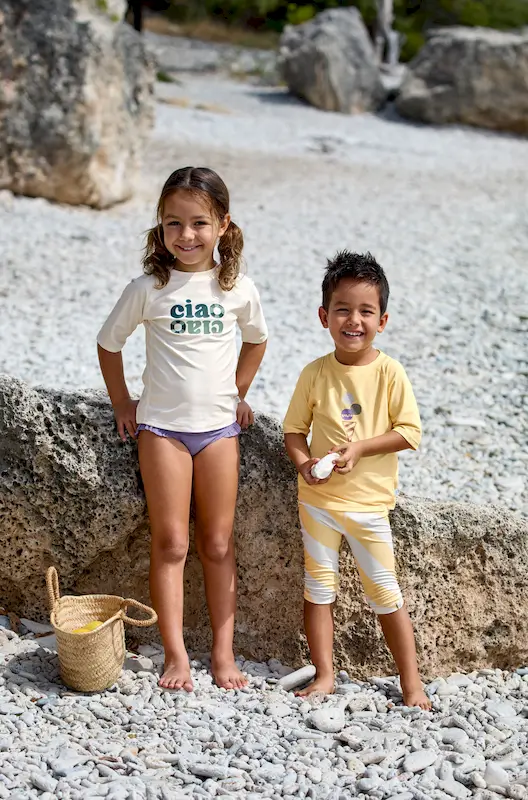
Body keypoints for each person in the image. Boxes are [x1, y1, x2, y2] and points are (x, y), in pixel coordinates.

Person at [97, 167, 268, 691]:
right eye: (174, 223)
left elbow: (256, 340)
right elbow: (109, 343)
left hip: (218, 431)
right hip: (161, 431)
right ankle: (175, 655)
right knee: (171, 542)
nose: (186, 235)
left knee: (217, 544)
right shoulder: (148, 287)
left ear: (223, 225)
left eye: (199, 223)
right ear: (160, 227)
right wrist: (122, 401)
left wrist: (238, 392)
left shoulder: (236, 288)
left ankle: (222, 653)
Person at [283, 250, 430, 709]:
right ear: (324, 316)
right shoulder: (314, 373)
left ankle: (412, 683)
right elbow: (293, 432)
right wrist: (305, 463)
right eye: (343, 309)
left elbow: (410, 433)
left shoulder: (390, 373)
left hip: (368, 506)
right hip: (318, 502)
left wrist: (360, 448)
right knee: (318, 588)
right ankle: (324, 674)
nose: (354, 320)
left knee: (386, 593)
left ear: (382, 320)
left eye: (366, 311)